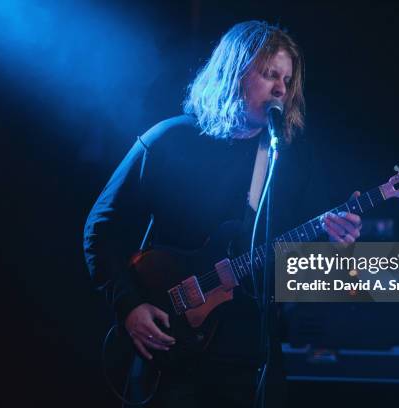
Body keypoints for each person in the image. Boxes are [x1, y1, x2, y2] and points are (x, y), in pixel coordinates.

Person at [83, 20, 362, 408]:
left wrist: (335, 245)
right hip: (171, 351)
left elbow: (294, 270)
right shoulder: (169, 140)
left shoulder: (290, 159)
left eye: (286, 78)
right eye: (269, 75)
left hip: (252, 360)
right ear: (235, 72)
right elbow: (102, 230)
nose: (281, 88)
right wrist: (129, 306)